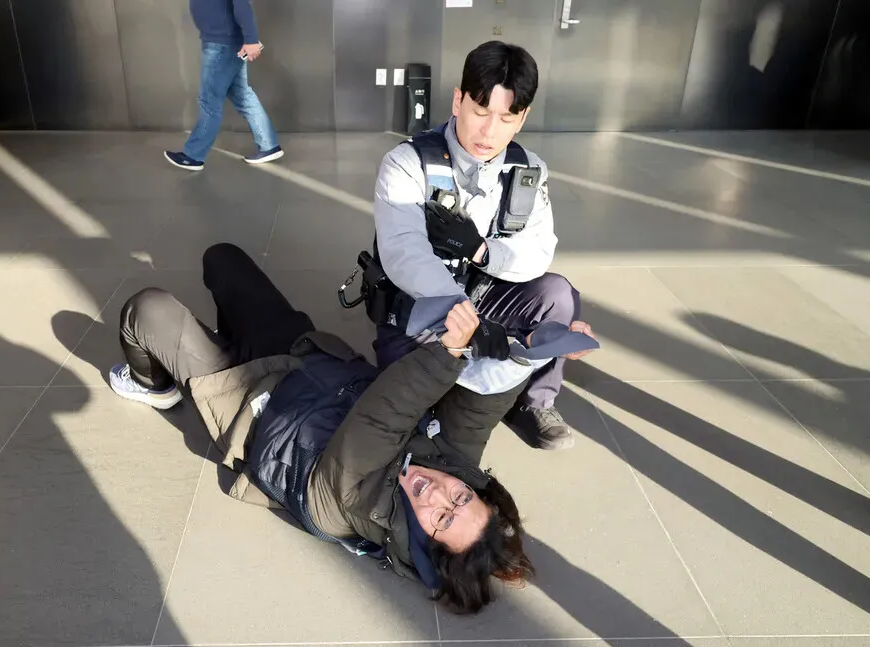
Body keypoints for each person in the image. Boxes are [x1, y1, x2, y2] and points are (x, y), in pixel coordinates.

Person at [108, 243, 533, 614]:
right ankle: (225, 334)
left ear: (423, 542)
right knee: (222, 259)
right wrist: (530, 354)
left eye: (441, 518)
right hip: (302, 356)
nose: (439, 492)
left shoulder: (355, 505)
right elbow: (478, 414)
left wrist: (450, 352)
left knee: (146, 309)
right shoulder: (453, 469)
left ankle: (155, 385)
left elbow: (382, 417)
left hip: (243, 393)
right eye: (461, 497)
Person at [368, 40, 595, 451]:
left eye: (507, 117)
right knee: (416, 423)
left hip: (486, 296)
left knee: (559, 295)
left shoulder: (529, 170)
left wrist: (483, 252)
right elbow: (404, 253)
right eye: (480, 111)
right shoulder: (406, 164)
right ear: (458, 101)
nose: (490, 132)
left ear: (522, 118)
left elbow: (540, 250)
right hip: (419, 314)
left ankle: (532, 401)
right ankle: (487, 374)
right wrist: (466, 320)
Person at [164, 0, 284, 171]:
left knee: (209, 101)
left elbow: (242, 4)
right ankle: (269, 145)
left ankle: (193, 156)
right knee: (242, 95)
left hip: (221, 44)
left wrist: (251, 40)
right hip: (222, 41)